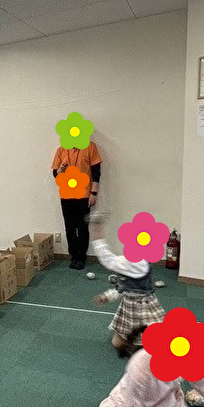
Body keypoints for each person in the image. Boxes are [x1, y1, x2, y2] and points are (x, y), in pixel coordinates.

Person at [90, 219, 164, 355]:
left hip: (143, 308)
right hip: (129, 307)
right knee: (117, 343)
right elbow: (124, 288)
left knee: (150, 345)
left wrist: (97, 232)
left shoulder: (134, 263)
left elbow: (107, 259)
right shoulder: (134, 260)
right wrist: (108, 296)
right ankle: (139, 343)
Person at [52, 139, 102, 269]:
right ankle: (73, 256)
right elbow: (55, 175)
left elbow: (96, 172)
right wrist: (61, 169)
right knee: (69, 228)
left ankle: (81, 257)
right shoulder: (61, 150)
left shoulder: (90, 147)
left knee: (82, 227)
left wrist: (94, 193)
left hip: (84, 195)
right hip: (66, 196)